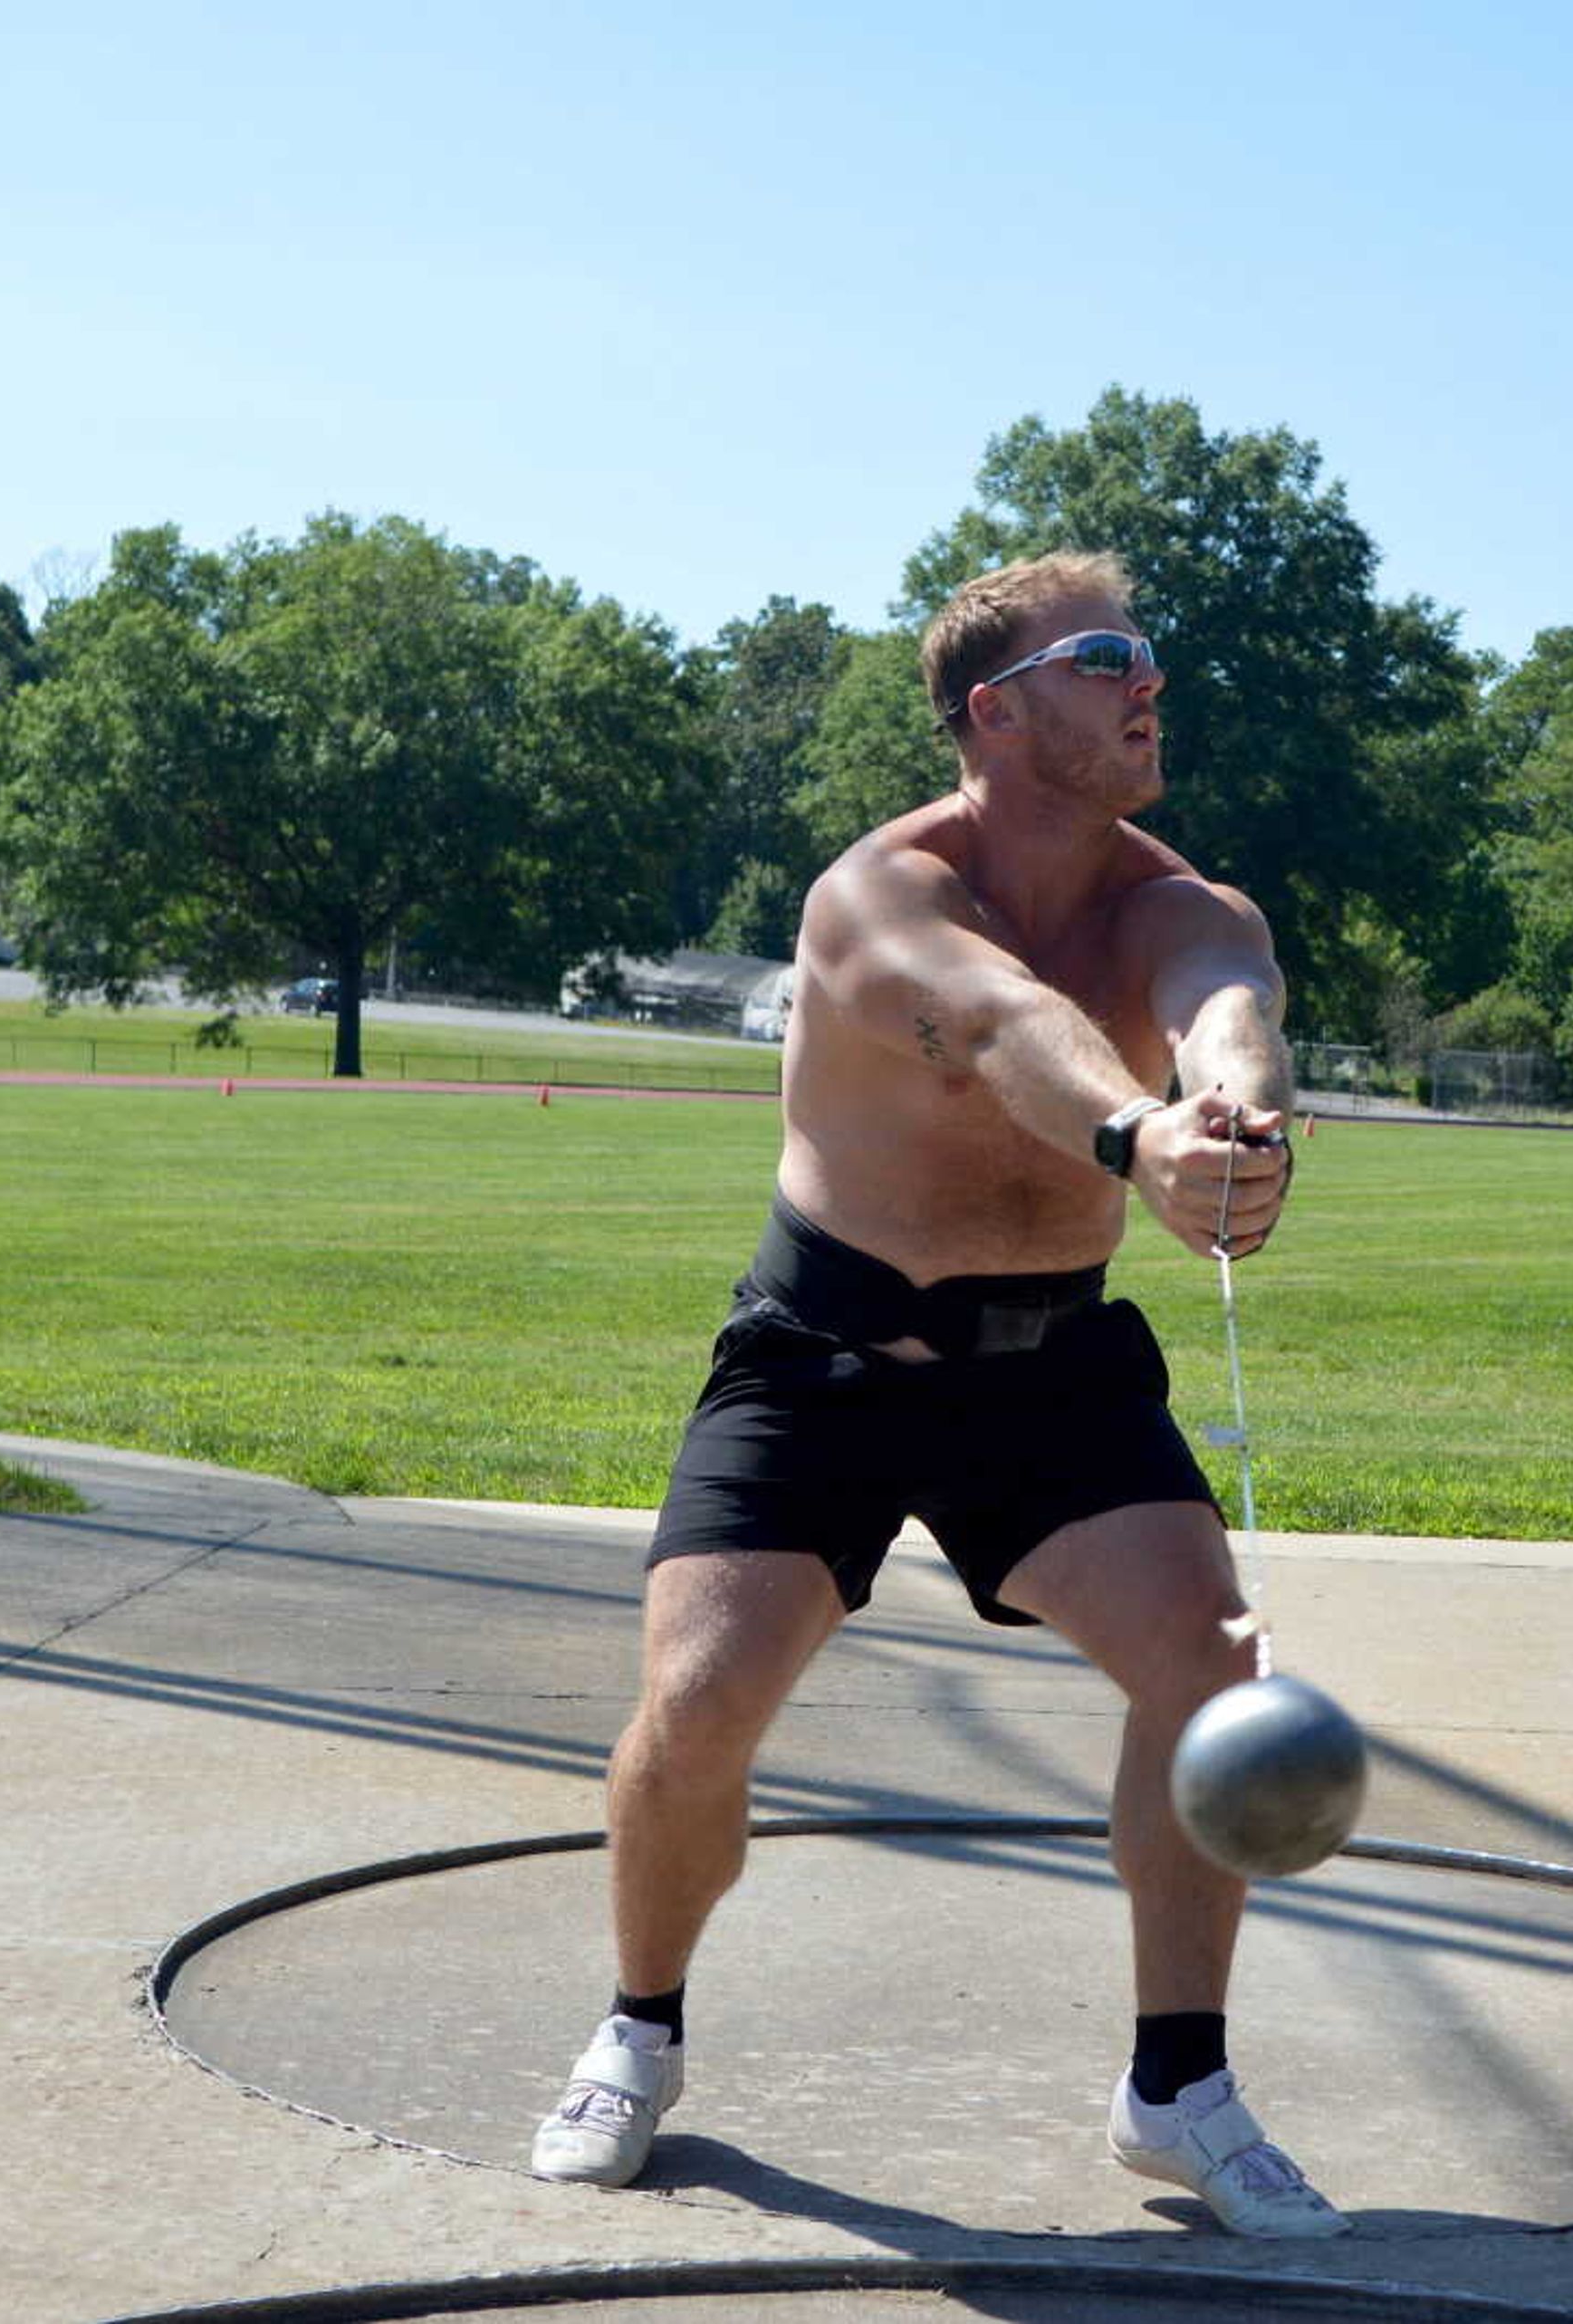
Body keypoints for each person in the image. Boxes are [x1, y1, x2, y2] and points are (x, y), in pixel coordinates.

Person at [531, 549, 1338, 2237]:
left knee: (1205, 1655)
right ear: (996, 707)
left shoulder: (1181, 900)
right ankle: (640, 2027)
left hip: (1049, 1366)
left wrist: (1233, 1121)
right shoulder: (877, 897)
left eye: (1144, 660)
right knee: (696, 1707)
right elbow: (996, 1023)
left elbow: (1228, 1012)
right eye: (1103, 659)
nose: (1146, 687)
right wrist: (1132, 1135)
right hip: (821, 1355)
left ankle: (1175, 2087)